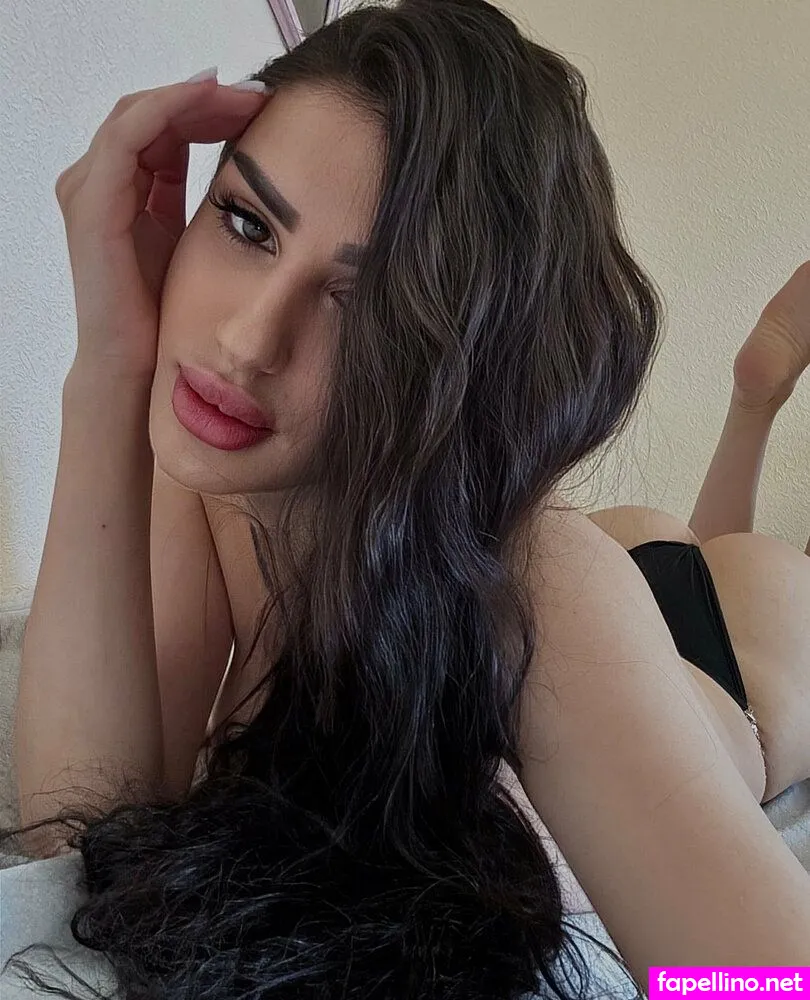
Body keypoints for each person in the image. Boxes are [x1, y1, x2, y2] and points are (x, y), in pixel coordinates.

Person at [3, 1, 809, 997]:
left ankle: (754, 399)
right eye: (249, 224)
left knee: (741, 580)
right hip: (624, 577)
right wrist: (109, 364)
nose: (246, 343)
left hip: (732, 675)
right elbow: (85, 827)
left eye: (364, 301)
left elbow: (759, 981)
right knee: (651, 539)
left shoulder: (537, 585)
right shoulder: (214, 447)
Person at [587, 259, 810, 808]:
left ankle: (752, 407)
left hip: (623, 555)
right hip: (739, 691)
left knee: (721, 582)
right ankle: (754, 404)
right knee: (748, 678)